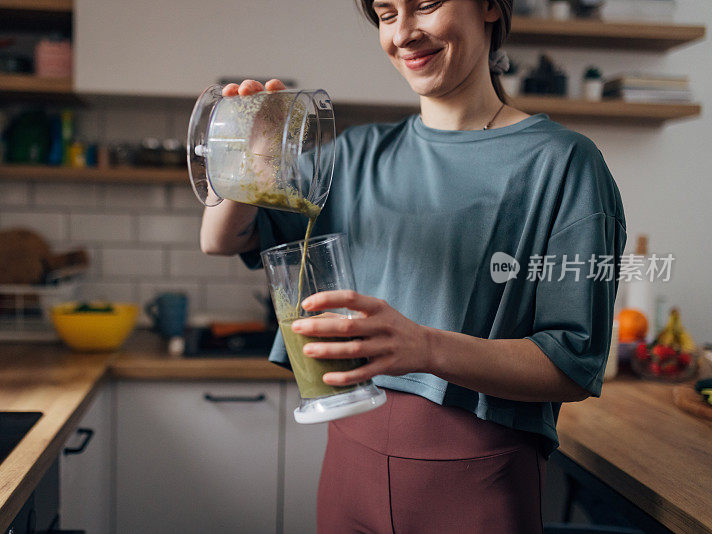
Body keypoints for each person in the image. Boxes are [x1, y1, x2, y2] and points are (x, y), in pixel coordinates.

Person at [200, 0, 626, 532]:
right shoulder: (353, 155)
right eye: (385, 13)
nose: (404, 33)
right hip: (346, 473)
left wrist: (422, 347)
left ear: (491, 6)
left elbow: (573, 365)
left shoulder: (564, 164)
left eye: (425, 5)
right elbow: (222, 237)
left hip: (478, 485)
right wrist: (244, 152)